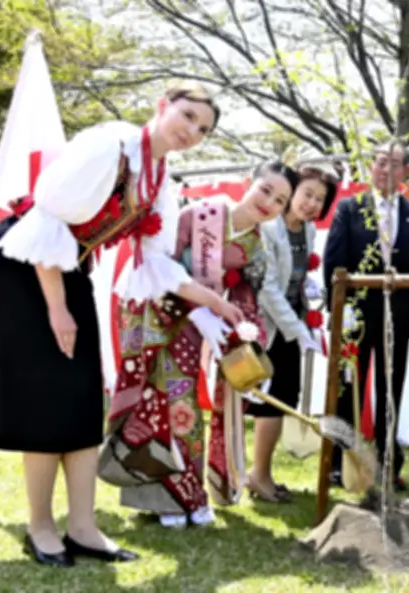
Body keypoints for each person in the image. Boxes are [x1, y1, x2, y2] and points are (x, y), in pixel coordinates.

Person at [0, 80, 245, 567]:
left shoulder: (160, 180)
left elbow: (158, 265)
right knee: (45, 399)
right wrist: (57, 309)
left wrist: (215, 302)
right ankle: (41, 527)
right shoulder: (111, 145)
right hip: (23, 264)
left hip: (69, 266)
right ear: (163, 106)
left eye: (203, 129)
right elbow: (48, 216)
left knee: (83, 398)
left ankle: (83, 527)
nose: (192, 131)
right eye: (187, 116)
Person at [102, 160, 297, 527]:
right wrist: (199, 311)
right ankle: (170, 498)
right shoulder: (199, 214)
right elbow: (159, 267)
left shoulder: (254, 249)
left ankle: (183, 493)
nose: (268, 202)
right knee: (158, 404)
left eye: (280, 200)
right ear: (248, 183)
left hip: (195, 332)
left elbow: (247, 308)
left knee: (183, 409)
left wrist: (252, 358)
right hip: (155, 318)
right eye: (266, 190)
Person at [323, 141, 409, 491]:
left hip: (398, 315)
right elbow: (334, 263)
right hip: (357, 313)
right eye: (382, 163)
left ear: (405, 172)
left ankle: (388, 463)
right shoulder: (350, 208)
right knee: (348, 388)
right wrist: (338, 309)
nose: (387, 170)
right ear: (371, 167)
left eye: (396, 164)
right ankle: (343, 462)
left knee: (391, 386)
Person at [247, 164, 338, 502]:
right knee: (269, 400)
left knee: (284, 396)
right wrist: (297, 330)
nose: (311, 203)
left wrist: (311, 305)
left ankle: (261, 473)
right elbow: (268, 289)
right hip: (268, 327)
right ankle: (258, 475)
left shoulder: (309, 230)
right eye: (307, 194)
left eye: (319, 199)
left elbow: (297, 278)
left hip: (292, 324)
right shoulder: (270, 229)